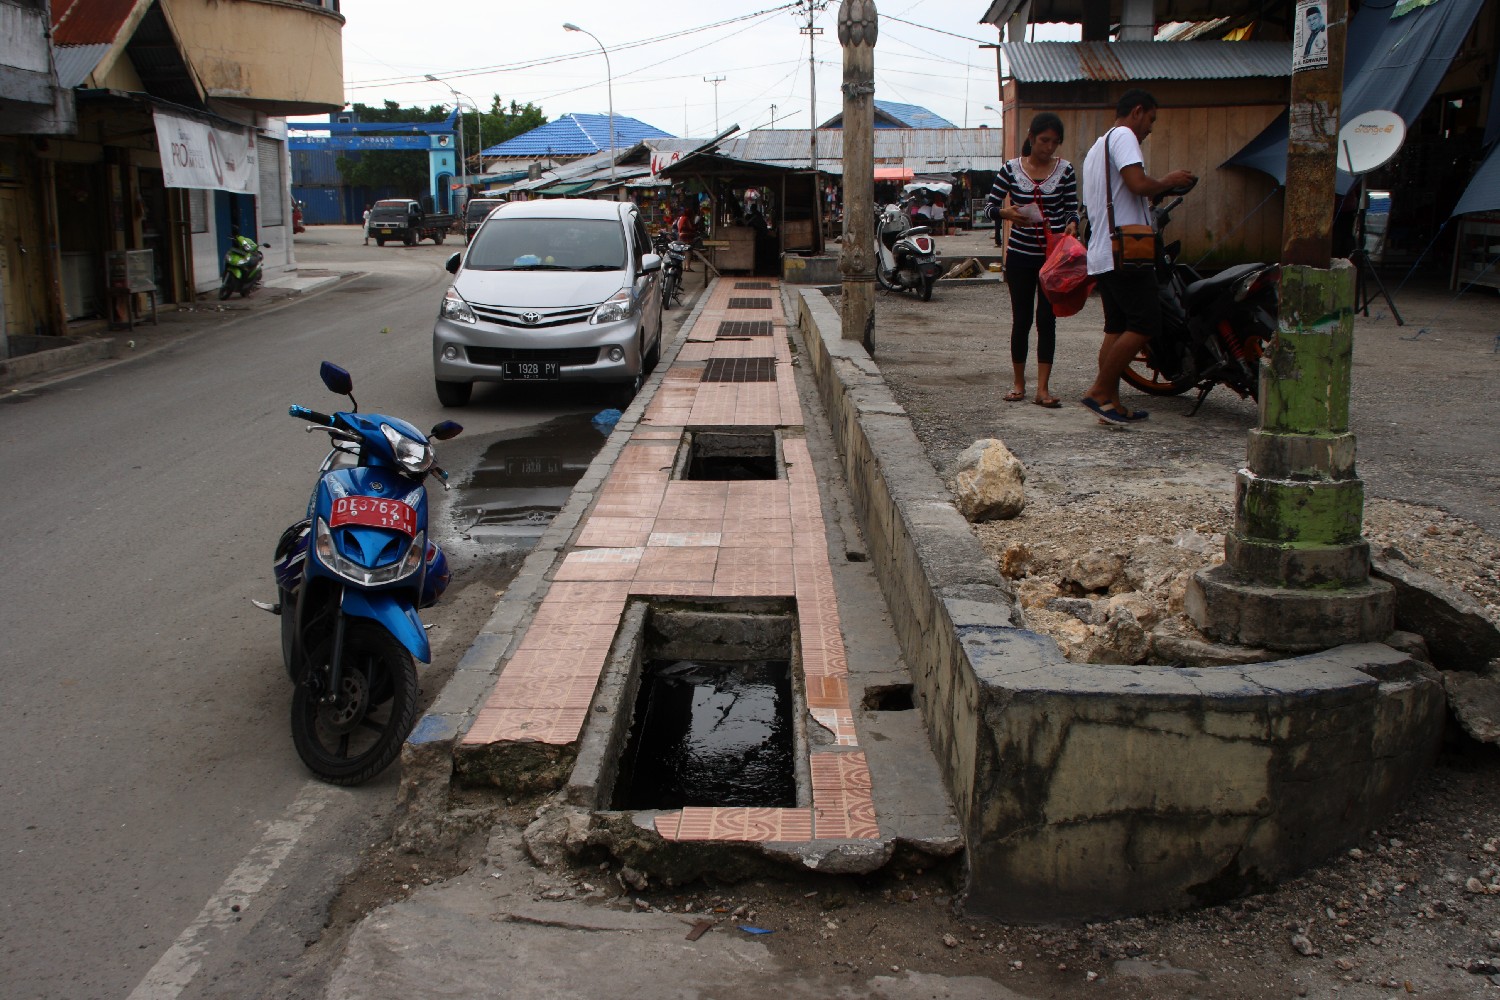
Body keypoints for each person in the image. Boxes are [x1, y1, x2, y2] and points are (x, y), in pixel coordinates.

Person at [1079, 89, 1196, 424]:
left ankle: (1110, 403)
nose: (1150, 128)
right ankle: (1099, 391)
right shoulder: (1124, 136)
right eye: (1150, 119)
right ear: (1137, 111)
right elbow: (1137, 183)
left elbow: (1123, 193)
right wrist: (1168, 180)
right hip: (1127, 252)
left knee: (1117, 327)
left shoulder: (1097, 147)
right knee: (1146, 323)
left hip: (1104, 251)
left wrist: (1156, 192)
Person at [985, 112, 1079, 409]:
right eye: (1043, 141)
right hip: (1020, 257)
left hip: (1053, 259)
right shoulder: (1011, 169)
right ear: (1031, 138)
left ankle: (1043, 388)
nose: (1048, 147)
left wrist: (1072, 224)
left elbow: (1072, 208)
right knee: (1022, 319)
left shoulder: (1065, 171)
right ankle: (1018, 383)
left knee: (1047, 320)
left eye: (1054, 142)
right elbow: (989, 206)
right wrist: (1005, 213)